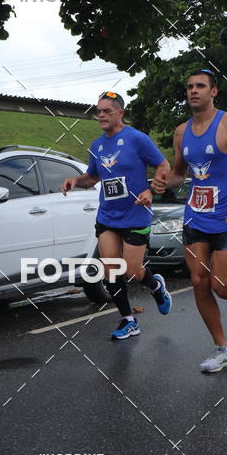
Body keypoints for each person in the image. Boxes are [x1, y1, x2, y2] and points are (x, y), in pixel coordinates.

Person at [154, 69, 227, 373]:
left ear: (213, 91)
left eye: (200, 86)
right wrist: (164, 183)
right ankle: (223, 348)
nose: (194, 91)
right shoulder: (181, 132)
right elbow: (181, 173)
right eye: (190, 86)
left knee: (222, 286)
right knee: (198, 281)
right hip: (195, 214)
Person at [62, 91, 172, 340]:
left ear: (120, 113)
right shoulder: (97, 145)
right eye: (98, 111)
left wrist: (151, 189)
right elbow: (92, 177)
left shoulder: (137, 139)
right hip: (108, 216)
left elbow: (163, 165)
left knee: (132, 270)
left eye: (106, 111)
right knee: (111, 270)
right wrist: (75, 181)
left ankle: (156, 286)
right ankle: (129, 320)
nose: (101, 115)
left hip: (135, 214)